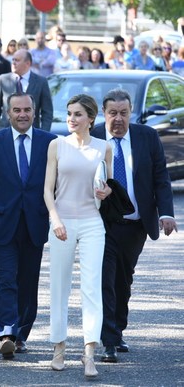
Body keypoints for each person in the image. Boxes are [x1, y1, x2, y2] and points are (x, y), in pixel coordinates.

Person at [92, 89, 177, 363]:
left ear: (132, 113)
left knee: (123, 279)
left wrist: (166, 212)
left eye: (123, 113)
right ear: (104, 114)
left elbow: (161, 177)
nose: (118, 119)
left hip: (135, 224)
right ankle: (108, 340)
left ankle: (118, 329)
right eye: (113, 113)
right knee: (105, 278)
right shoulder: (92, 136)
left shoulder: (146, 137)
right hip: (101, 223)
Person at [0, 93, 56, 359]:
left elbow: (54, 183)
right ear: (7, 112)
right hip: (3, 222)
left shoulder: (50, 142)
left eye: (27, 109)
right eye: (17, 110)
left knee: (28, 281)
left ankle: (22, 334)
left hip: (34, 222)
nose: (22, 114)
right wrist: (3, 203)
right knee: (6, 279)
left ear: (34, 112)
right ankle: (7, 333)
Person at [43, 94, 112, 379]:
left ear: (91, 119)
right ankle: (59, 347)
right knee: (59, 286)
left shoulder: (104, 147)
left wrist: (106, 193)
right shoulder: (57, 145)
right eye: (69, 114)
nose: (71, 119)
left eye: (78, 114)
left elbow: (106, 187)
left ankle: (89, 353)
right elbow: (48, 189)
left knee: (91, 287)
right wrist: (55, 219)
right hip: (62, 222)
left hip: (92, 223)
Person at [0, 49, 53, 132]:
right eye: (13, 60)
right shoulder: (3, 79)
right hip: (6, 133)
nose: (13, 63)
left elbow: (47, 112)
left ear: (28, 63)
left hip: (32, 134)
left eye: (17, 60)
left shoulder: (41, 82)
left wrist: (44, 135)